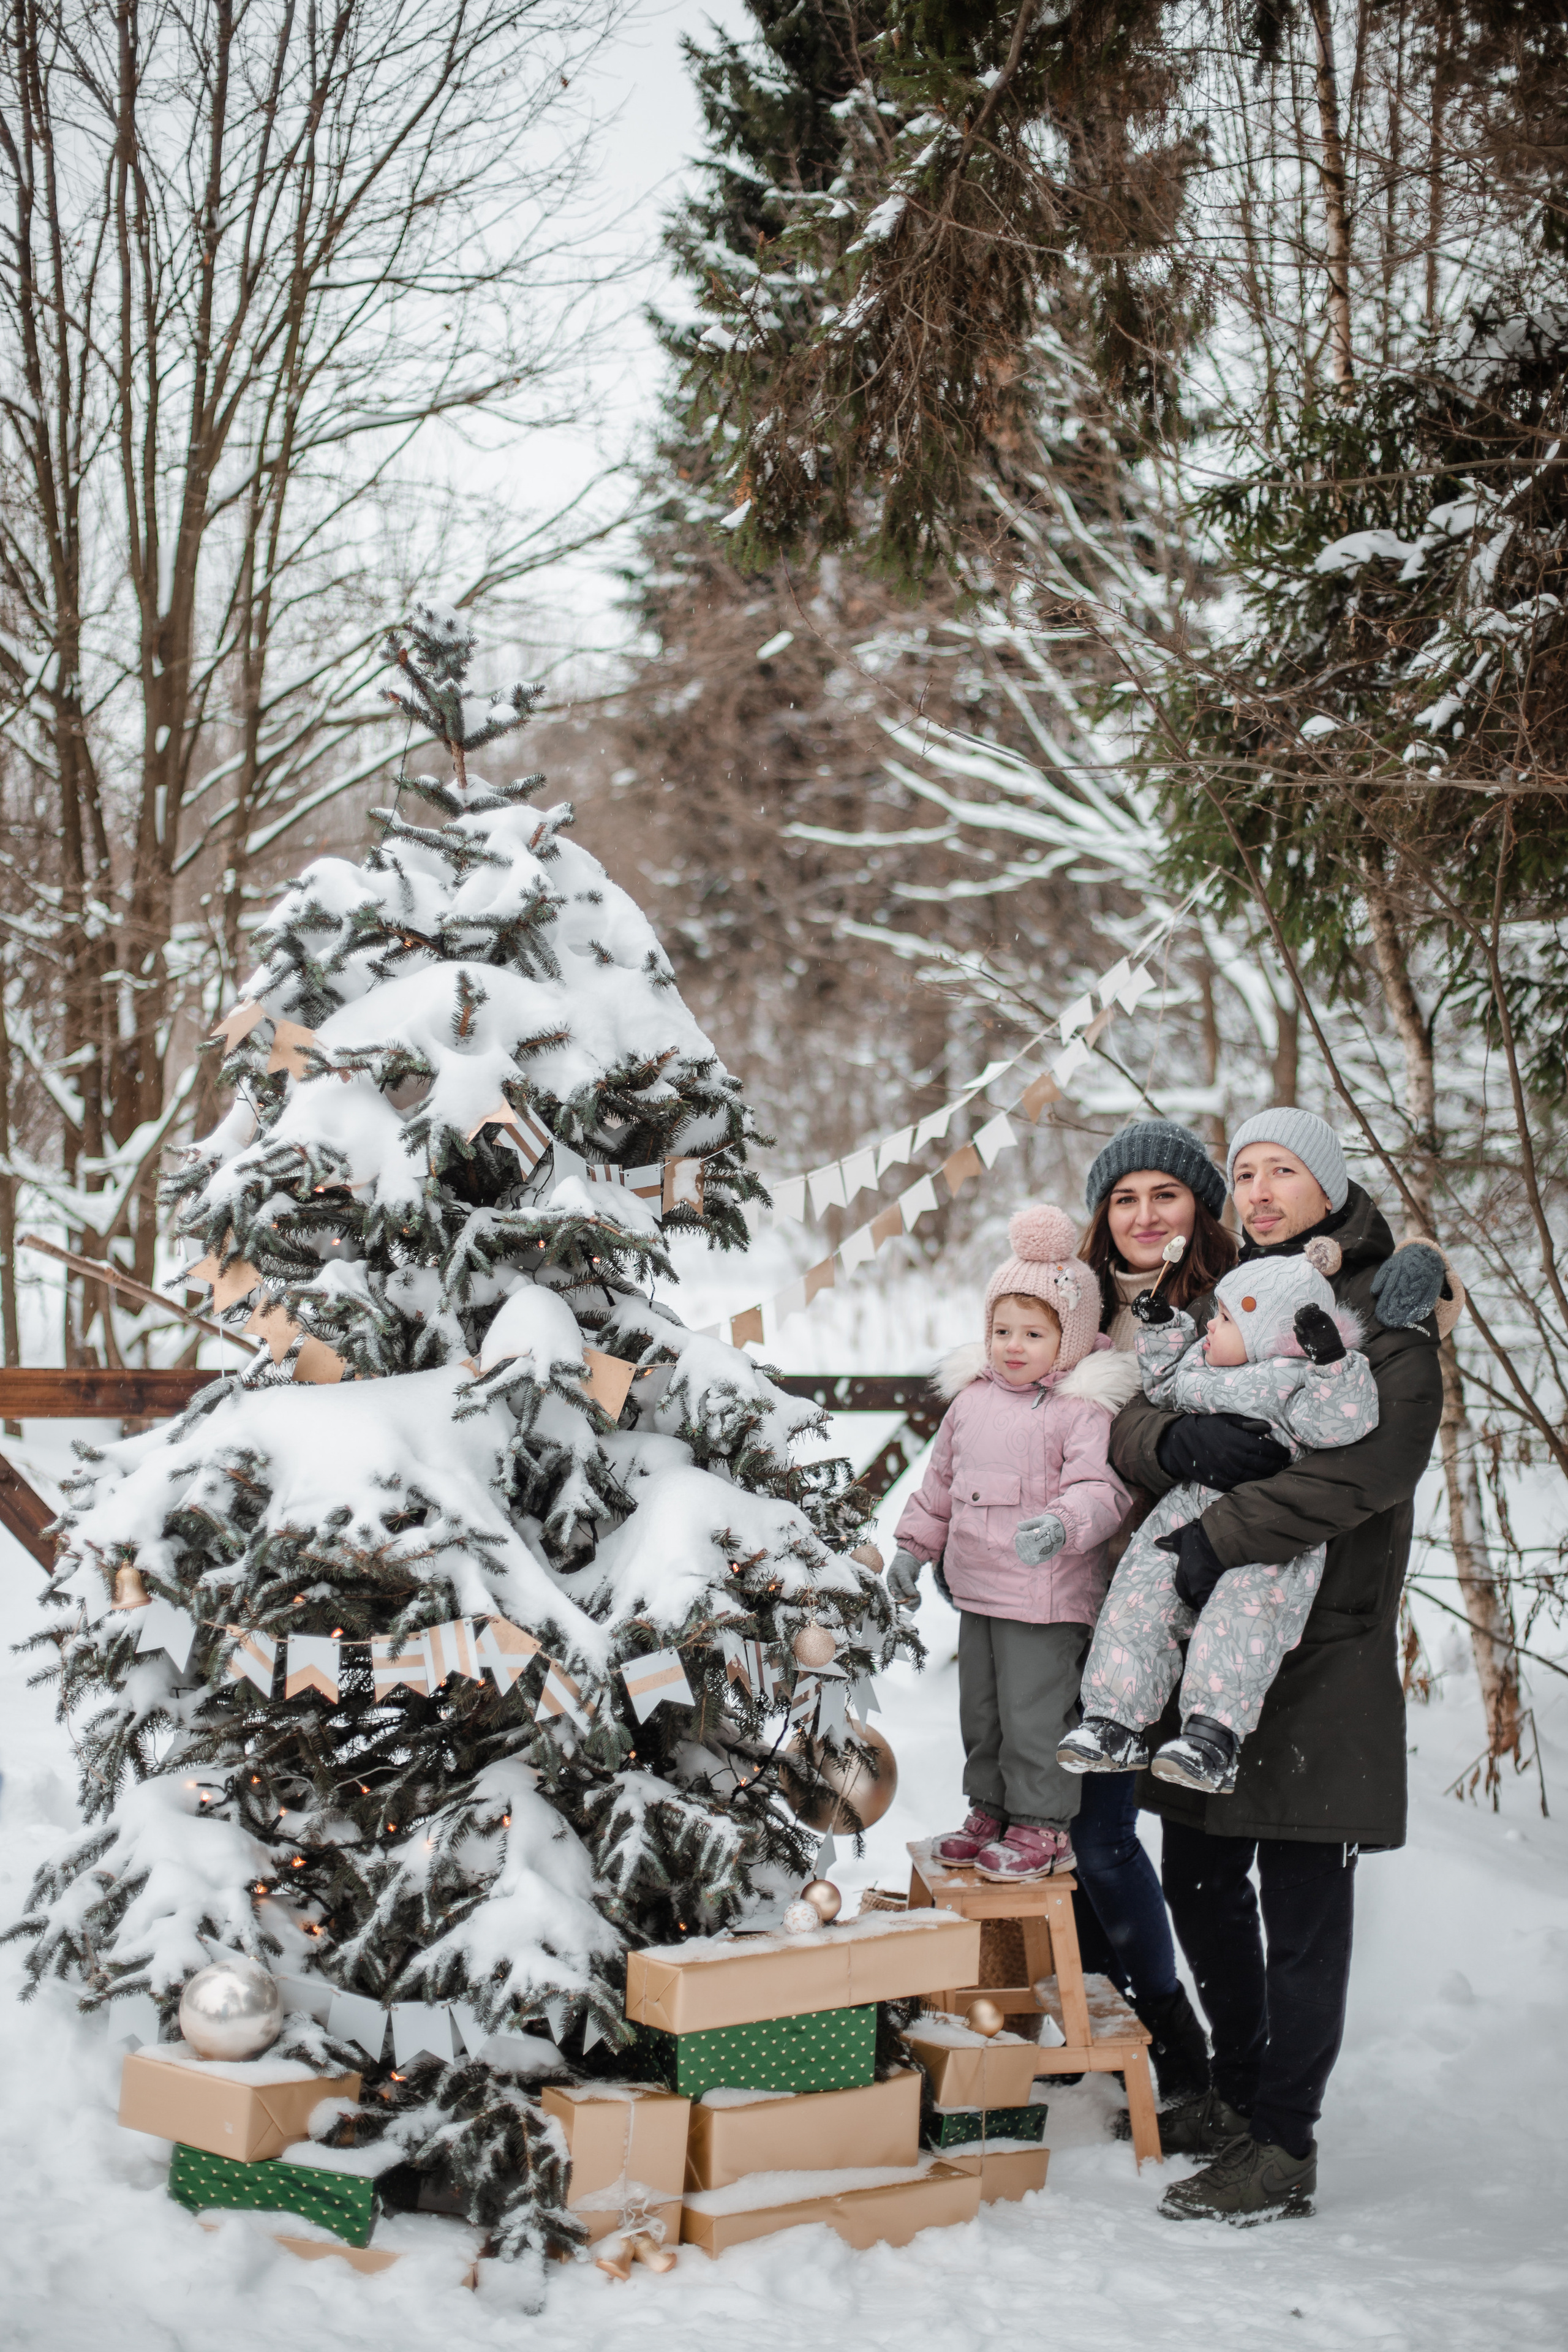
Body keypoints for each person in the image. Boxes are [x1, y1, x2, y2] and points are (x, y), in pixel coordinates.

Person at [1108, 1107, 1447, 2224]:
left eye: (1281, 1172)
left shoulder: (1387, 1308)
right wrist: (1172, 1445)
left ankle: (1285, 2145)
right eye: (1244, 1172)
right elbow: (1137, 1413)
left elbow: (1375, 1465)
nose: (1256, 1192)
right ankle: (1241, 2097)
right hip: (1215, 1648)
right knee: (1199, 1879)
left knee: (1303, 1907)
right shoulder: (1228, 1293)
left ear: (1327, 1184)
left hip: (1325, 1648)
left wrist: (1217, 1534)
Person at [1063, 1245, 1379, 1791]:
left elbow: (1341, 1424)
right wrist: (1164, 1330)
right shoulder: (1201, 1365)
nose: (1212, 1326)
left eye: (1228, 1319)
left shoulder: (1296, 1381)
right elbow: (1162, 1385)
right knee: (1137, 1601)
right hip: (1183, 1509)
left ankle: (1212, 1735)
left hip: (1265, 1531)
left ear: (1267, 1332)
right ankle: (1113, 1720)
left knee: (1243, 1622)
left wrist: (1333, 1365)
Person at [884, 1204, 1140, 1880]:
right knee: (985, 1712)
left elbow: (1103, 1491)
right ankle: (990, 1808)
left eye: (1033, 1332)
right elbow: (938, 1484)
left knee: (1034, 1715)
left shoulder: (1081, 1409)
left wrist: (1061, 1524)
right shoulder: (970, 1402)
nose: (1013, 1346)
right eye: (1002, 1330)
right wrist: (913, 1549)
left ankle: (1043, 1825)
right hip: (979, 1590)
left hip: (1047, 1594)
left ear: (1072, 1338)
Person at [1069, 1120, 1238, 2104]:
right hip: (1069, 1599)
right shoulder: (1075, 1311)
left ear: (1198, 1209)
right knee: (1069, 1824)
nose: (1143, 1216)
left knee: (1108, 1832)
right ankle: (1100, 2025)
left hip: (1182, 1592)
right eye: (1124, 1199)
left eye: (1164, 1196)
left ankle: (1178, 2040)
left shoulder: (1231, 1305)